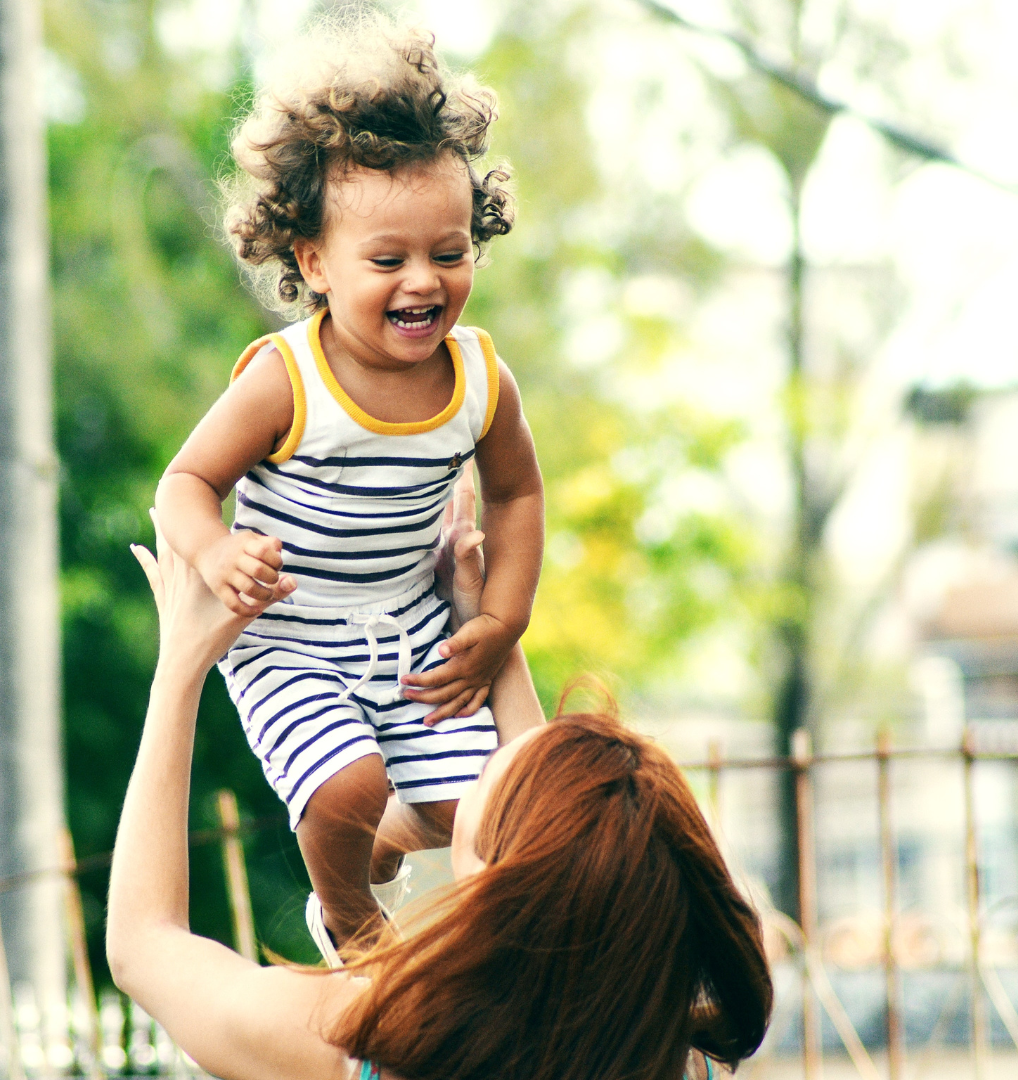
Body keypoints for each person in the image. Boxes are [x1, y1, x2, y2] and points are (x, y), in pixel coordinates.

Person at [110, 509, 773, 1080]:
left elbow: (144, 945)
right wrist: (482, 629)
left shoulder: (358, 1042)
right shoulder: (673, 1054)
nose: (480, 760)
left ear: (492, 883)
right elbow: (564, 852)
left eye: (485, 776)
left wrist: (178, 670)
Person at [152, 10, 545, 951]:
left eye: (449, 254)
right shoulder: (288, 381)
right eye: (388, 260)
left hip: (409, 627)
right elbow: (183, 483)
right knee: (346, 787)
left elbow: (520, 495)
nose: (423, 282)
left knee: (478, 812)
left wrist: (499, 623)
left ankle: (378, 839)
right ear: (312, 261)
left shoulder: (480, 378)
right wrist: (216, 550)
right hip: (291, 637)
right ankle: (351, 921)